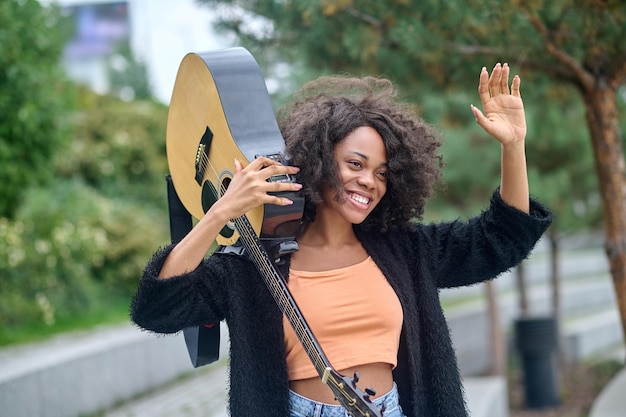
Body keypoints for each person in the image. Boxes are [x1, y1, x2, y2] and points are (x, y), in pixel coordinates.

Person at [131, 63, 552, 417]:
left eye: (382, 172)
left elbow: (500, 239)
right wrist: (219, 212)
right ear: (317, 162)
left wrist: (514, 147)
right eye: (355, 163)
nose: (368, 181)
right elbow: (157, 308)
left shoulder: (404, 250)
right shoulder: (252, 264)